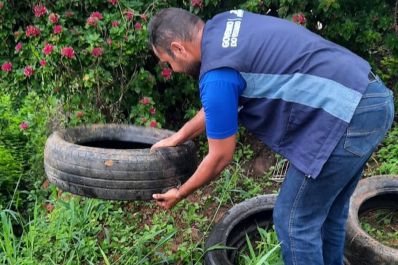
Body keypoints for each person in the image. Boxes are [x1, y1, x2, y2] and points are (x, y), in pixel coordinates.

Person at [148, 7, 395, 265]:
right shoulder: (225, 24)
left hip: (347, 115)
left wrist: (181, 192)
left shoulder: (217, 75)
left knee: (294, 221)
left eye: (168, 63)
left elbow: (220, 156)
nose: (173, 69)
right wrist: (178, 137)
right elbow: (218, 106)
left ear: (178, 48)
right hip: (370, 97)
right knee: (328, 212)